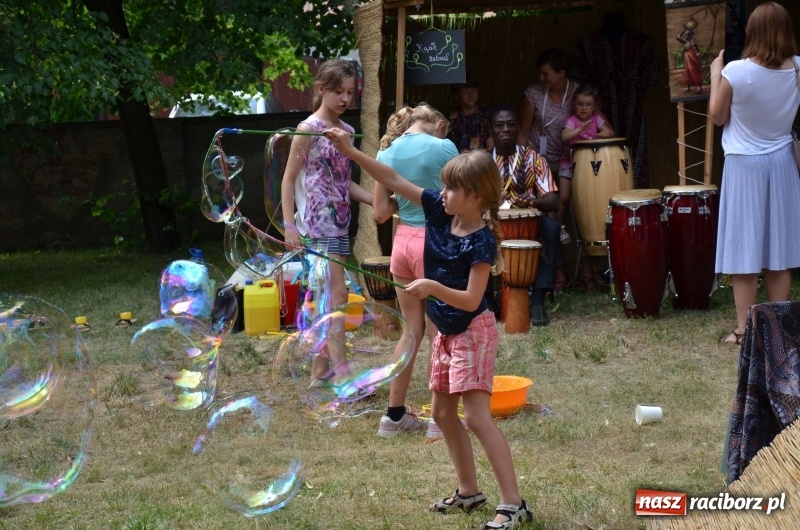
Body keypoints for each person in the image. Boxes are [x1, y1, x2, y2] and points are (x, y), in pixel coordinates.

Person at [325, 130, 532, 529]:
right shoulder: (440, 212)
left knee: (476, 417)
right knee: (440, 411)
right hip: (448, 334)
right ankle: (469, 492)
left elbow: (472, 300)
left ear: (474, 195)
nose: (443, 193)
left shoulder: (482, 242)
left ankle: (513, 502)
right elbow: (393, 178)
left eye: (451, 188)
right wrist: (351, 152)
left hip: (473, 330)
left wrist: (432, 288)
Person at [709, 2, 800, 346]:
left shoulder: (737, 71)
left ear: (754, 32)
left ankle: (746, 331)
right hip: (782, 163)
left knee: (744, 250)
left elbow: (717, 116)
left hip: (744, 164)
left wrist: (716, 73)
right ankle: (777, 333)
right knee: (779, 250)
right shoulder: (797, 68)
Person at [280, 59, 374, 381]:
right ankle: (342, 373)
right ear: (321, 90)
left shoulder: (346, 132)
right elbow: (289, 178)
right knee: (337, 294)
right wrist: (289, 225)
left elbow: (343, 181)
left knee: (329, 295)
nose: (345, 99)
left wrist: (375, 199)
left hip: (340, 221)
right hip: (317, 225)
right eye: (338, 92)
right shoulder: (307, 129)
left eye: (350, 92)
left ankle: (320, 371)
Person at [372, 104, 458, 437]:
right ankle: (440, 420)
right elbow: (457, 198)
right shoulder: (444, 148)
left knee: (411, 330)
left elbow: (380, 211)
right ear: (437, 124)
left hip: (402, 243)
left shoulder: (387, 150)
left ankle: (393, 417)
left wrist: (404, 204)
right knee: (440, 333)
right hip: (434, 243)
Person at [488, 104, 560, 326]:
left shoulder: (534, 158)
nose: (505, 129)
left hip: (529, 224)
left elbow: (554, 200)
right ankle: (487, 301)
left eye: (511, 124)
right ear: (491, 130)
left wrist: (536, 201)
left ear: (518, 127)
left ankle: (538, 300)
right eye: (499, 125)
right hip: (492, 223)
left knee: (551, 228)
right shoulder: (482, 162)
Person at [517, 49, 578, 295]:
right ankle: (553, 275)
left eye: (546, 73)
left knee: (568, 214)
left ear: (561, 74)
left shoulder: (576, 93)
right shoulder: (533, 93)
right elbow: (523, 130)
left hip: (565, 160)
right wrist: (520, 163)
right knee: (546, 217)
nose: (541, 78)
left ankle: (575, 272)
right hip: (537, 160)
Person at [558, 84, 615, 221]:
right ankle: (559, 226)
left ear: (594, 106)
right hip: (569, 162)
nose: (584, 108)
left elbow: (610, 132)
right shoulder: (572, 120)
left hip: (588, 165)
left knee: (586, 198)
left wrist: (605, 133)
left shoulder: (596, 119)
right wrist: (580, 129)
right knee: (564, 198)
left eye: (588, 105)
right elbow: (564, 136)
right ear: (574, 105)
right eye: (580, 104)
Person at [447, 74, 493, 153]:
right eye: (465, 91)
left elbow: (491, 146)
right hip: (457, 162)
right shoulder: (451, 118)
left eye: (473, 90)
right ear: (456, 95)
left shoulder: (486, 115)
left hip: (481, 161)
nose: (470, 95)